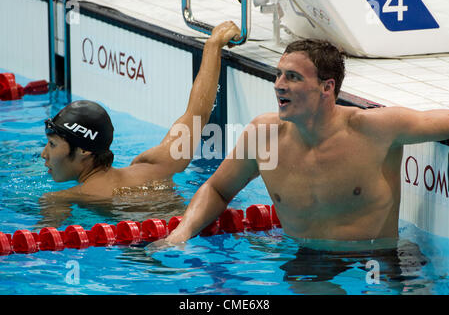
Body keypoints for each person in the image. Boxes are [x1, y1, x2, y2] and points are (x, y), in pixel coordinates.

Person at [164, 38, 449, 244]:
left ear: (327, 87)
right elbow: (217, 189)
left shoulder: (375, 129)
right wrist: (181, 233)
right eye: (278, 74)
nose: (278, 84)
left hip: (376, 262)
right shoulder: (264, 136)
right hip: (306, 263)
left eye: (293, 77)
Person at [40, 21, 241, 200]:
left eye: (52, 144)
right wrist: (213, 45)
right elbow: (198, 113)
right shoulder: (155, 166)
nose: (44, 154)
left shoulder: (65, 199)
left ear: (84, 150)